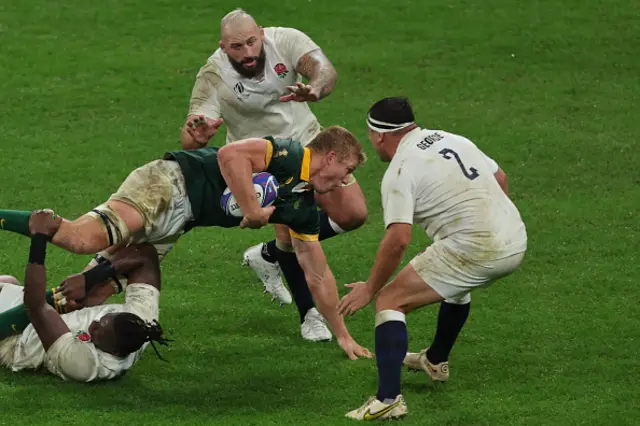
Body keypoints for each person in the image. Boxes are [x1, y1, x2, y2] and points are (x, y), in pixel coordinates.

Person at [0, 126, 372, 360]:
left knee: (90, 293)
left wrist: (342, 335)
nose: (345, 181)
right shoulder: (291, 155)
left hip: (180, 220)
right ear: (332, 156)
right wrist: (252, 209)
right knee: (81, 239)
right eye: (348, 171)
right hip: (168, 185)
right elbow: (230, 155)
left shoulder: (302, 206)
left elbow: (318, 275)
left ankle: (5, 327)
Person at [181, 8, 368, 342]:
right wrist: (196, 135)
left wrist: (315, 88)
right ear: (224, 47)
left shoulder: (286, 40)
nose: (248, 52)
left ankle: (267, 256)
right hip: (263, 162)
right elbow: (194, 126)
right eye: (237, 47)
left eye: (252, 42)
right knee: (295, 235)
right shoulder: (213, 75)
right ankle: (309, 314)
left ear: (262, 33)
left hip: (309, 143)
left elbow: (323, 69)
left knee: (354, 213)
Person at [338, 98, 528, 420]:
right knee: (453, 281)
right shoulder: (453, 139)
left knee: (390, 300)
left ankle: (388, 400)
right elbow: (501, 180)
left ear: (379, 135)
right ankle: (435, 360)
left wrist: (370, 288)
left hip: (477, 248)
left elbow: (398, 240)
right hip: (515, 237)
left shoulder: (399, 170)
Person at [0, 211, 169, 382]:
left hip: (17, 336)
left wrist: (39, 236)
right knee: (8, 281)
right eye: (102, 318)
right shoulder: (141, 321)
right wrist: (89, 279)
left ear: (114, 352)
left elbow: (35, 306)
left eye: (97, 331)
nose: (93, 324)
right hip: (42, 312)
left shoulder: (84, 364)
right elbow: (145, 255)